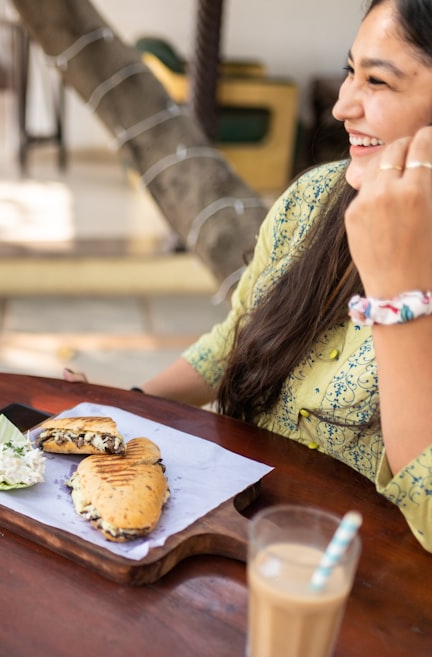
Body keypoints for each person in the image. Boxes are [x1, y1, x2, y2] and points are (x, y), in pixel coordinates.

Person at [71, 0, 432, 552]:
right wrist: (126, 406)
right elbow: (237, 338)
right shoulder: (315, 199)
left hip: (362, 597)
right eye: (350, 72)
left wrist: (399, 298)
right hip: (233, 537)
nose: (342, 105)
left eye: (378, 81)